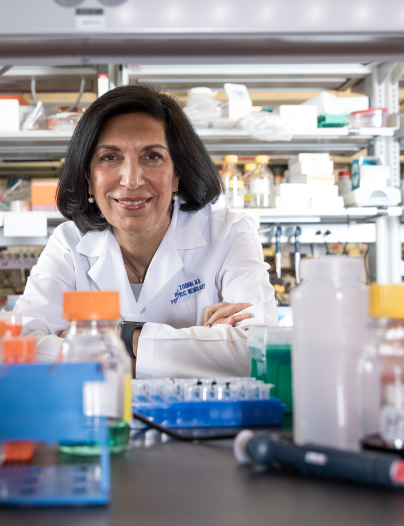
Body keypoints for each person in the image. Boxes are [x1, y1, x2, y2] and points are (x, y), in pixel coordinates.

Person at [14, 84, 277, 378]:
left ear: (177, 174)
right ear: (88, 177)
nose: (131, 180)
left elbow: (260, 351)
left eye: (152, 156)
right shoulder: (68, 243)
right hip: (98, 419)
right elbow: (22, 349)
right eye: (110, 157)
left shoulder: (229, 233)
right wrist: (199, 345)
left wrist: (114, 337)